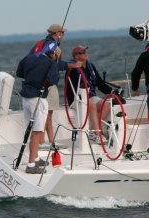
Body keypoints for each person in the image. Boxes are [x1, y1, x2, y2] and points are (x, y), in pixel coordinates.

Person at [30, 24, 81, 150]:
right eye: (62, 33)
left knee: (43, 113)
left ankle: (48, 141)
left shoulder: (40, 44)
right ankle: (43, 142)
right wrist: (73, 65)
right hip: (48, 85)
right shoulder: (53, 47)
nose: (63, 36)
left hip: (36, 84)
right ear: (57, 33)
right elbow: (55, 65)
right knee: (47, 113)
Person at [16, 42, 60, 174]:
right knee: (37, 132)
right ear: (52, 53)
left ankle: (35, 158)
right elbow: (53, 80)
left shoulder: (28, 58)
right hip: (38, 99)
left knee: (31, 130)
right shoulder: (50, 63)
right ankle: (30, 165)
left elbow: (19, 72)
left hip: (26, 97)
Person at [66, 45, 113, 143]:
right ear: (76, 56)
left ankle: (94, 129)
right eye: (82, 52)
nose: (85, 53)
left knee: (106, 105)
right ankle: (97, 134)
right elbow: (71, 88)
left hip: (90, 95)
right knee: (92, 106)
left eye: (85, 51)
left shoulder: (90, 66)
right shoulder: (72, 69)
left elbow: (99, 83)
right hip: (77, 98)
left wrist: (111, 92)